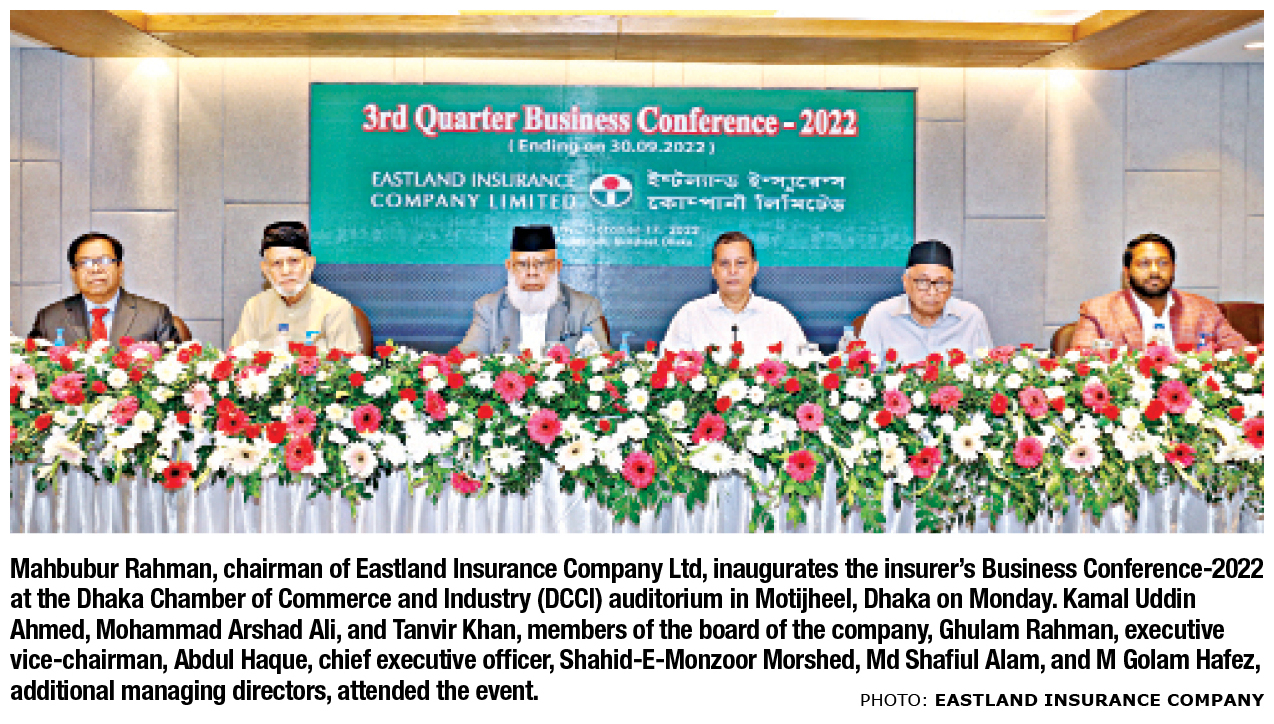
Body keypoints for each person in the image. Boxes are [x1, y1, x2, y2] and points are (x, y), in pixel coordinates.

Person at [1069, 232, 1248, 352]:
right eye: (1144, 264)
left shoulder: (1204, 308)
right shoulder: (1097, 311)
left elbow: (1244, 355)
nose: (1154, 271)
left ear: (1174, 269)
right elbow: (1081, 365)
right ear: (1127, 273)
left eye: (1163, 263)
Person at [458, 225, 608, 355]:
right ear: (509, 267)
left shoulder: (585, 307)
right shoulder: (488, 307)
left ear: (557, 266)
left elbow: (603, 360)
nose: (532, 272)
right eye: (522, 264)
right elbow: (466, 356)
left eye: (541, 264)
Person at [662, 231, 806, 365]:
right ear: (713, 270)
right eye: (724, 263)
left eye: (740, 263)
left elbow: (803, 370)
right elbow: (669, 369)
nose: (732, 271)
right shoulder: (690, 316)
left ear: (754, 268)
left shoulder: (778, 317)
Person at [229, 221, 362, 353]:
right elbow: (237, 359)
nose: (286, 271)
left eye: (294, 261)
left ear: (310, 264)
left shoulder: (335, 308)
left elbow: (346, 363)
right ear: (265, 270)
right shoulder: (254, 307)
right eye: (276, 263)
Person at [28, 232, 181, 345]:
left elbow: (173, 369)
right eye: (85, 262)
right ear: (73, 272)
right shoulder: (49, 319)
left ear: (120, 268)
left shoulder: (154, 316)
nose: (95, 269)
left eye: (105, 261)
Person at [858, 239, 991, 365]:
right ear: (906, 283)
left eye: (941, 283)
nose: (932, 292)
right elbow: (863, 374)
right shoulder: (881, 316)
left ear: (951, 286)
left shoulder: (971, 318)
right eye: (922, 282)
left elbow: (988, 371)